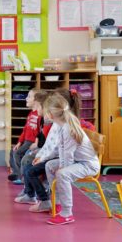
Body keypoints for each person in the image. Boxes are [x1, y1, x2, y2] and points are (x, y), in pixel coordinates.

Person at [42, 94, 99, 225]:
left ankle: (67, 213)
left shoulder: (68, 129)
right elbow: (61, 150)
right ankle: (58, 203)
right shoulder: (63, 126)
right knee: (50, 165)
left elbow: (67, 155)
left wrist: (63, 168)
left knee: (62, 174)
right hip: (77, 161)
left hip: (88, 165)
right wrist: (46, 158)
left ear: (51, 114)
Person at [8, 89, 42, 184]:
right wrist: (19, 142)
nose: (26, 98)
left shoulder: (39, 115)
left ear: (36, 100)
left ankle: (22, 177)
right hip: (26, 141)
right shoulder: (31, 114)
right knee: (13, 151)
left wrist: (36, 142)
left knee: (17, 154)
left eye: (29, 96)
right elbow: (25, 130)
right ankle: (16, 173)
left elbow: (40, 131)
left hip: (32, 142)